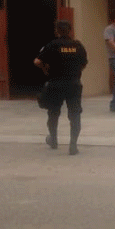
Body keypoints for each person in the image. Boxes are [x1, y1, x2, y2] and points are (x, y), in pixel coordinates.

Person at [34, 20, 88, 156]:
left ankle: (53, 140)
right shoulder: (78, 45)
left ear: (57, 31)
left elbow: (37, 61)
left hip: (56, 83)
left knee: (53, 113)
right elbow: (84, 63)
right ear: (70, 30)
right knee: (75, 115)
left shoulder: (52, 45)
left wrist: (45, 69)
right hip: (74, 84)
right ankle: (73, 146)